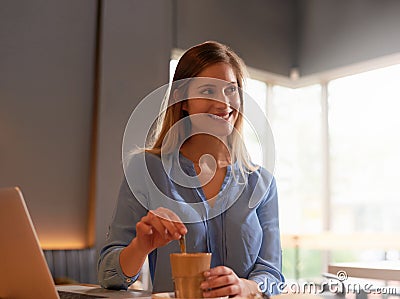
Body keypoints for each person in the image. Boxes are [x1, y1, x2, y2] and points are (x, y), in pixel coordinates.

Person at [98, 41, 284, 297]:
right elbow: (109, 275)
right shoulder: (146, 170)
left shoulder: (262, 183)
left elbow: (272, 274)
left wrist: (246, 286)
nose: (223, 103)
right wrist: (140, 246)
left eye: (231, 90)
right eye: (208, 90)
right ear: (181, 99)